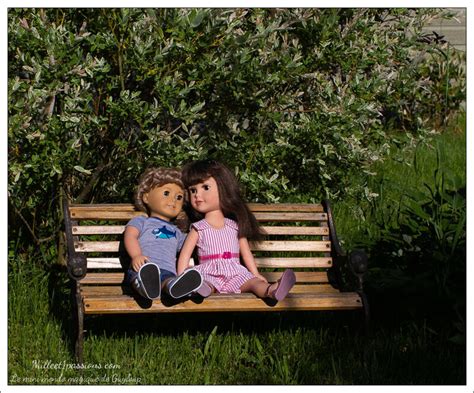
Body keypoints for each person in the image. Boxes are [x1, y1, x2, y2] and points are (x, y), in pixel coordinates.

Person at [177, 160, 296, 300]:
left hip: (235, 271)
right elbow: (185, 255)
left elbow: (246, 254)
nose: (197, 194)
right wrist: (181, 277)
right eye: (193, 190)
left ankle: (271, 290)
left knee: (253, 283)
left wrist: (255, 273)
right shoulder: (198, 228)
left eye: (205, 187)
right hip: (209, 272)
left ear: (223, 188)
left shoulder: (234, 226)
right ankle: (198, 287)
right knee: (207, 283)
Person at [124, 167, 206, 300]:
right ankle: (144, 286)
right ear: (146, 197)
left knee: (168, 281)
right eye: (166, 193)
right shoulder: (142, 221)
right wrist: (136, 255)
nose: (173, 200)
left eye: (179, 197)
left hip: (168, 271)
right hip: (142, 267)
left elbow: (189, 246)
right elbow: (130, 236)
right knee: (139, 277)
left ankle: (174, 287)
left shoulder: (177, 232)